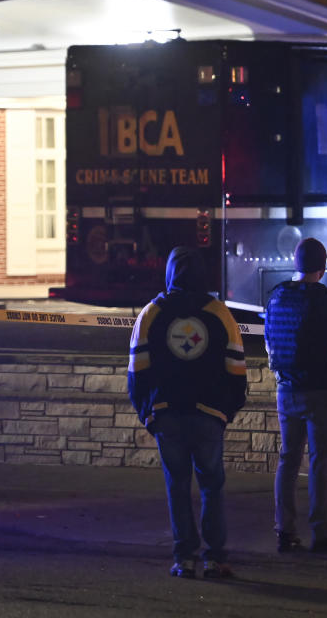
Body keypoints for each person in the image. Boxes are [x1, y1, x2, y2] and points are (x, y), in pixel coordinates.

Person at [127, 246, 247, 579]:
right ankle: (215, 558)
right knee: (212, 485)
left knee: (177, 487)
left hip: (167, 415)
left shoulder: (152, 313)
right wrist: (225, 413)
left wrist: (148, 415)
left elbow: (137, 373)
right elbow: (237, 370)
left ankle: (184, 559)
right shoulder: (219, 313)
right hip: (209, 416)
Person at [264, 237, 327, 553]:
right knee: (320, 462)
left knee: (288, 460)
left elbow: (269, 344)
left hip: (286, 389)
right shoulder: (325, 300)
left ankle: (285, 532)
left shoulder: (276, 297)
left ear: (295, 262)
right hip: (319, 391)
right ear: (323, 265)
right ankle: (321, 530)